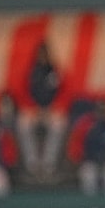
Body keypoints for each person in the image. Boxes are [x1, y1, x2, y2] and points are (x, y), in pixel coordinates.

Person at [16, 41, 70, 183]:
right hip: (33, 111)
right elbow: (21, 93)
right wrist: (33, 109)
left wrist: (53, 108)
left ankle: (48, 164)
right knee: (23, 124)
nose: (42, 57)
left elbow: (65, 93)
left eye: (45, 54)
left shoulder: (56, 71)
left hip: (51, 110)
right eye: (40, 54)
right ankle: (32, 164)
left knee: (59, 124)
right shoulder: (29, 71)